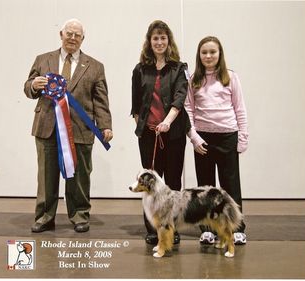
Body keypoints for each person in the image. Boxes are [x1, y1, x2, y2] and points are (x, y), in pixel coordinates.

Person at [24, 18, 113, 233]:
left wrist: (105, 126)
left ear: (83, 39)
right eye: (69, 34)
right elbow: (28, 88)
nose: (72, 38)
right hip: (47, 127)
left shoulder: (95, 66)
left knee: (80, 176)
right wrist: (33, 85)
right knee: (46, 176)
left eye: (77, 35)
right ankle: (45, 216)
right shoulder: (43, 59)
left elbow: (101, 100)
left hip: (81, 128)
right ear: (61, 35)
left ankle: (80, 215)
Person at [131, 20, 190, 245]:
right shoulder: (139, 69)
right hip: (148, 136)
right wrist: (143, 126)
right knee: (151, 183)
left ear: (169, 41)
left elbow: (179, 99)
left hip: (173, 134)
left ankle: (172, 229)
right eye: (155, 38)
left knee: (173, 183)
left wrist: (166, 122)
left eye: (163, 38)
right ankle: (153, 228)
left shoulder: (179, 68)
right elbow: (136, 105)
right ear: (149, 41)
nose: (159, 42)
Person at [184, 36, 248, 245]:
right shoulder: (193, 79)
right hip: (203, 140)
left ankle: (236, 227)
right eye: (204, 52)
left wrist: (242, 137)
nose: (209, 56)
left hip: (228, 136)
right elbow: (188, 109)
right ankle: (208, 229)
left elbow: (240, 109)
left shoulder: (230, 77)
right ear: (199, 56)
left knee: (230, 185)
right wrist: (193, 137)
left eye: (213, 52)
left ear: (220, 54)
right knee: (205, 189)